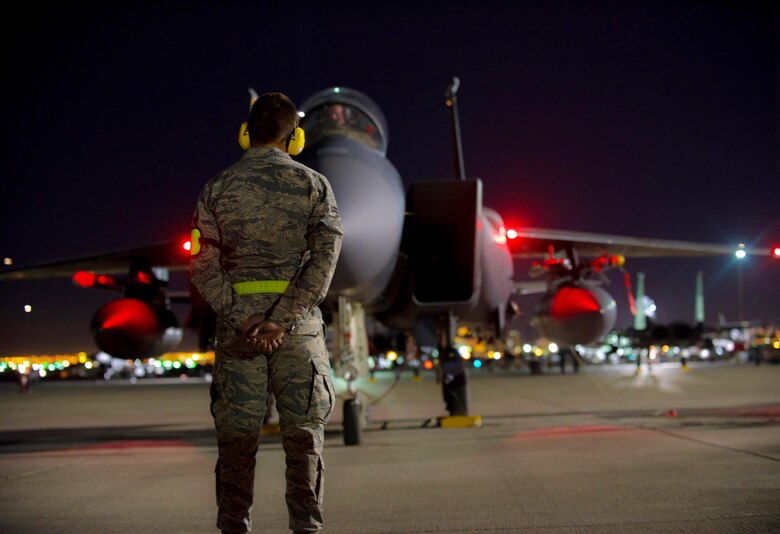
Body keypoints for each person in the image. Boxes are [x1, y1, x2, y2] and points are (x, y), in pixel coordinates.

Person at [190, 91, 343, 534]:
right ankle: (306, 528)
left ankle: (234, 526)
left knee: (237, 442)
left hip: (240, 337)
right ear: (294, 138)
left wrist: (243, 318)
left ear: (245, 135)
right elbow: (325, 257)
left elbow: (202, 264)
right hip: (297, 335)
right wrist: (284, 318)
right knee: (303, 439)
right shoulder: (314, 185)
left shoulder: (216, 189)